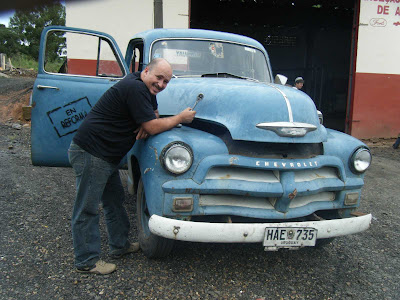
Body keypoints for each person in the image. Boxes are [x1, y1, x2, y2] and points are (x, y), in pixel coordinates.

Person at [68, 58, 196, 275]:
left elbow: (152, 118)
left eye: (166, 81)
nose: (161, 85)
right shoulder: (135, 87)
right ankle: (86, 261)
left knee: (114, 202)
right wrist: (179, 118)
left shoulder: (144, 87)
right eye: (158, 78)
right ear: (146, 71)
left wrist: (148, 124)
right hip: (92, 152)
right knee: (87, 208)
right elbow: (152, 124)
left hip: (106, 154)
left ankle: (120, 246)